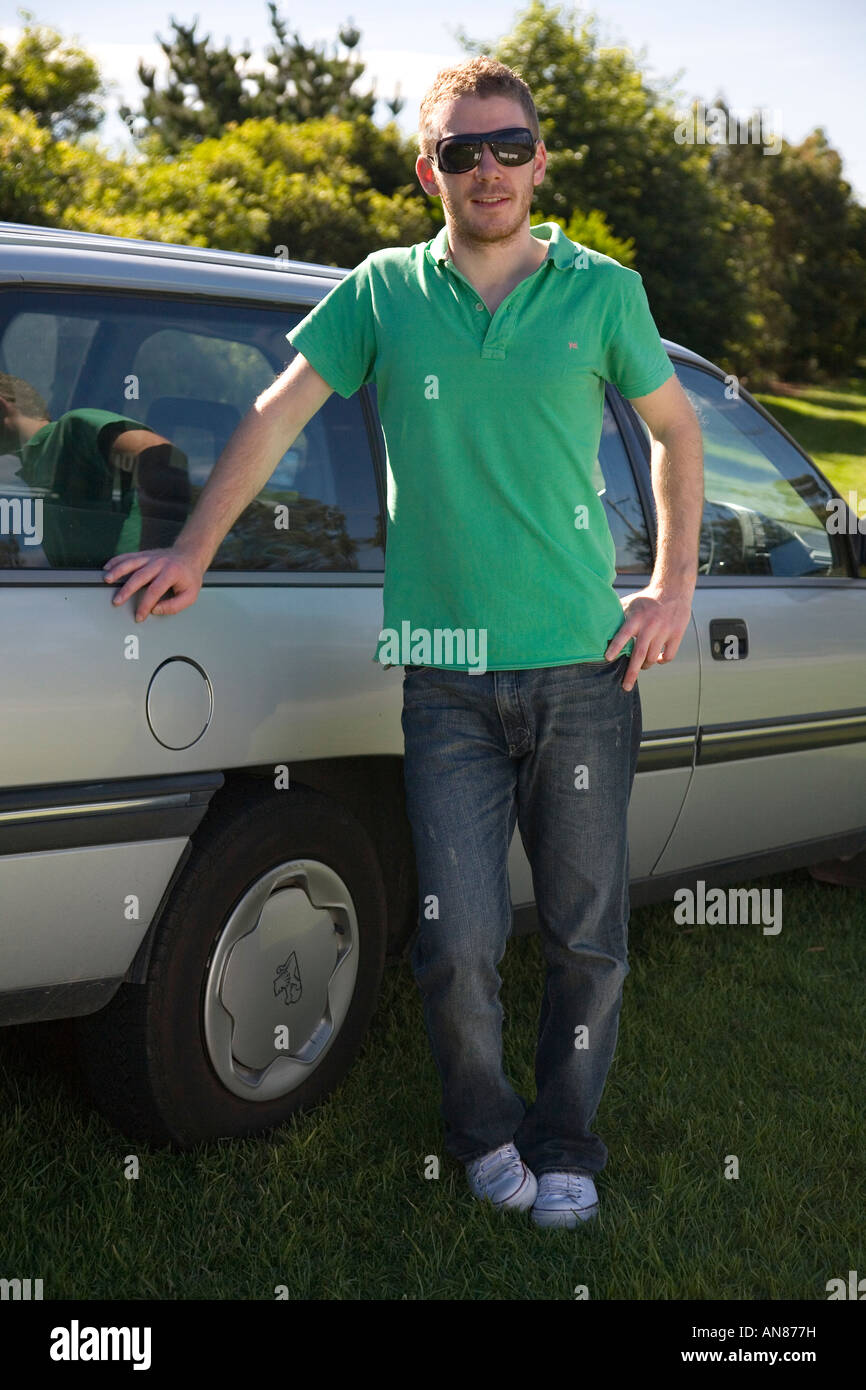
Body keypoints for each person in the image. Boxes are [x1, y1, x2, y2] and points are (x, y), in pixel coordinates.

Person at [103, 57, 704, 1230]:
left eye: (510, 146)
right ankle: (482, 1133)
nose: (490, 169)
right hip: (445, 685)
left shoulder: (600, 292)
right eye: (463, 151)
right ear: (427, 167)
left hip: (587, 673)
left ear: (539, 157)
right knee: (457, 944)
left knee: (587, 939)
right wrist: (192, 552)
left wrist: (670, 586)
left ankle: (567, 1141)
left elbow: (677, 433)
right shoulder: (382, 292)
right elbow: (277, 413)